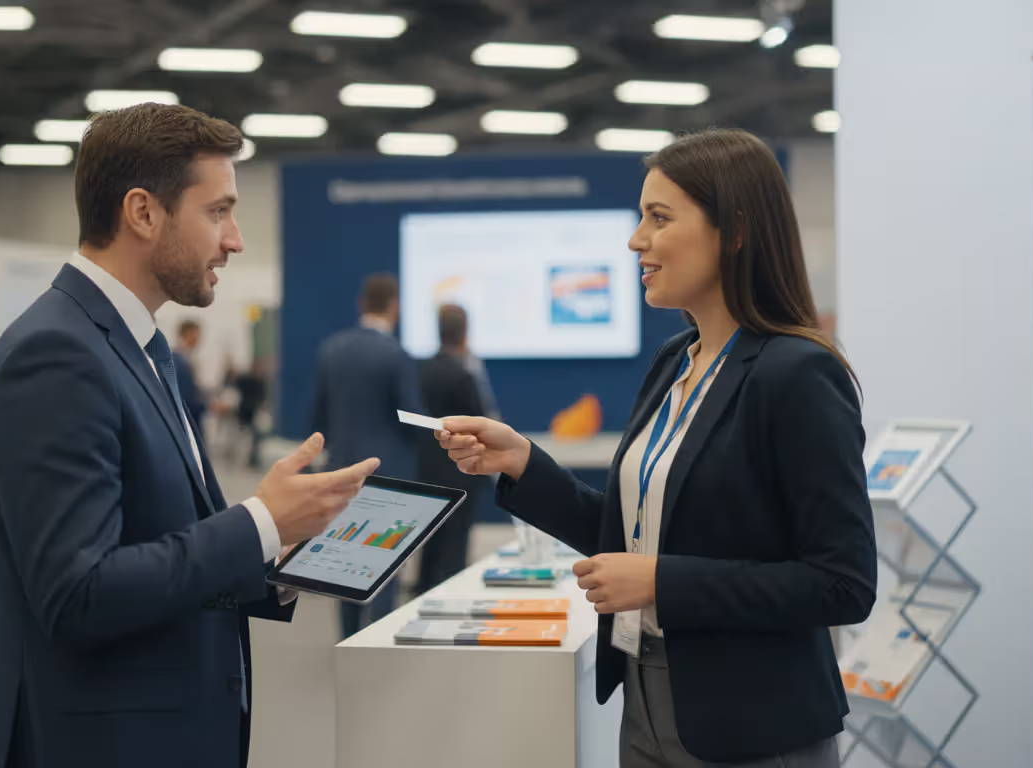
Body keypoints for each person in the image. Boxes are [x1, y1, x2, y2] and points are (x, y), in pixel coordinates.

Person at [436, 129, 877, 768]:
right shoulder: (676, 361)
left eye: (659, 218)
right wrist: (523, 463)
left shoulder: (797, 374)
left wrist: (664, 582)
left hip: (754, 724)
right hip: (644, 701)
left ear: (735, 230)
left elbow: (842, 583)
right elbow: (627, 540)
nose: (636, 239)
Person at [0, 103, 379, 768]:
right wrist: (258, 524)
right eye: (218, 211)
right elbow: (79, 593)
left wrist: (280, 556)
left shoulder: (140, 347)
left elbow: (157, 542)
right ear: (143, 213)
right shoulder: (56, 355)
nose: (236, 239)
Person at [312, 273, 423, 638]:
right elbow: (410, 418)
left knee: (344, 564)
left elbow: (317, 418)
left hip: (340, 470)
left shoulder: (331, 349)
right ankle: (375, 641)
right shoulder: (397, 354)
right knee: (385, 563)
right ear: (394, 307)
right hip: (388, 472)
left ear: (361, 304)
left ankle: (346, 638)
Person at [414, 305, 491, 595]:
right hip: (462, 471)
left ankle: (423, 597)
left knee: (430, 543)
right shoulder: (465, 375)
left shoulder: (423, 372)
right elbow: (482, 421)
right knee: (455, 546)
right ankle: (451, 600)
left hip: (427, 471)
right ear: (464, 332)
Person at [173, 319, 208, 433]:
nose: (198, 339)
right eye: (195, 334)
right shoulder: (178, 361)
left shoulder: (189, 358)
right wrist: (209, 406)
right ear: (187, 334)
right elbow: (186, 397)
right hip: (188, 421)